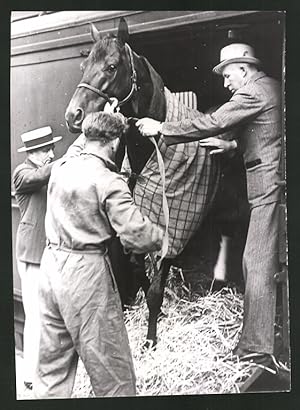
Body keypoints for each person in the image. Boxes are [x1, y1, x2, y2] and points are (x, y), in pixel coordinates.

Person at [136, 43, 282, 364]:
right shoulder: (272, 87)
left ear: (243, 69)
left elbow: (211, 121)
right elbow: (267, 135)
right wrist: (232, 146)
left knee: (255, 263)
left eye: (228, 75)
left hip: (268, 189)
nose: (226, 84)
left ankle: (255, 347)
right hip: (271, 186)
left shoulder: (252, 92)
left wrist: (161, 127)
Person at [34, 111, 163, 398]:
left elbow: (83, 143)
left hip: (51, 268)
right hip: (85, 276)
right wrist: (161, 238)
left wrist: (104, 115)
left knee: (52, 370)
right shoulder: (108, 180)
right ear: (116, 142)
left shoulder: (63, 165)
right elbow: (135, 235)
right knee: (111, 368)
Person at [12, 126, 62, 390]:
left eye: (51, 149)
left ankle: (42, 369)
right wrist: (66, 159)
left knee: (45, 315)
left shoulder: (43, 169)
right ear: (33, 153)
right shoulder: (21, 172)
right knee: (34, 315)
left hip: (45, 252)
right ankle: (31, 376)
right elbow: (39, 176)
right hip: (32, 254)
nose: (52, 154)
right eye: (47, 150)